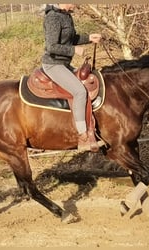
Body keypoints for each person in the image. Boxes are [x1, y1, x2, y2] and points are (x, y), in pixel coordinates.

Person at [41, 4, 103, 152]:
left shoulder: (66, 15)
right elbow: (51, 46)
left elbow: (71, 38)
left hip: (64, 63)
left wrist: (89, 37)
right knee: (80, 92)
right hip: (53, 65)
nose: (76, 4)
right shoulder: (53, 17)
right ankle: (82, 136)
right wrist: (74, 50)